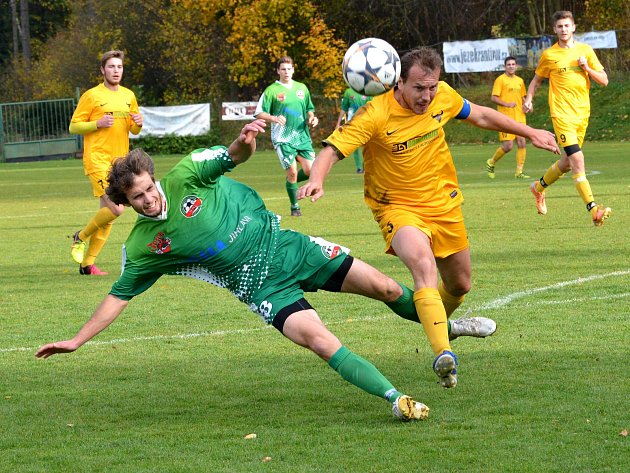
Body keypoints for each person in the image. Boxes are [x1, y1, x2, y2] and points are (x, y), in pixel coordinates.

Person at [36, 119, 493, 420]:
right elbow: (118, 297)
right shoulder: (144, 247)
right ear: (126, 203)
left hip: (288, 246)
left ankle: (445, 326)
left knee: (387, 288)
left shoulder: (188, 172)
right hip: (259, 286)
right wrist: (77, 340)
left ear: (156, 179)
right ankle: (397, 400)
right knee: (319, 341)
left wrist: (245, 139)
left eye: (149, 188)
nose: (150, 199)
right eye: (138, 198)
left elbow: (233, 155)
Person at [298, 47, 559, 389]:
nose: (427, 95)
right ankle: (443, 355)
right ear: (399, 82)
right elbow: (332, 150)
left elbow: (480, 115)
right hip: (396, 206)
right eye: (419, 88)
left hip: (443, 203)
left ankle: (444, 325)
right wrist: (316, 179)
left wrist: (531, 133)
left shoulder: (443, 97)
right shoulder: (375, 114)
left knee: (460, 284)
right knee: (423, 266)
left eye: (432, 87)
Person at [522, 10, 610, 226]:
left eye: (566, 26)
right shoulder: (549, 55)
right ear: (555, 29)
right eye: (559, 26)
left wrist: (586, 67)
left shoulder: (585, 51)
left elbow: (604, 80)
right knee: (577, 159)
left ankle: (538, 187)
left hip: (582, 114)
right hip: (561, 115)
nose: (563, 29)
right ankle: (594, 210)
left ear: (573, 27)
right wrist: (529, 99)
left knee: (567, 163)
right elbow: (535, 81)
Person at [68, 50, 143, 276]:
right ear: (103, 70)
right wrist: (97, 123)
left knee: (108, 215)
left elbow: (134, 129)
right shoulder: (91, 96)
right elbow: (74, 126)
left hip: (121, 163)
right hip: (98, 159)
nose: (116, 71)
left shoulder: (129, 96)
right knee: (117, 208)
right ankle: (80, 237)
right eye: (111, 67)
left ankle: (87, 265)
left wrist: (138, 123)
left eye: (119, 67)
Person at [254, 56, 319, 217]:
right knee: (292, 171)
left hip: (302, 136)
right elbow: (259, 113)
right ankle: (294, 206)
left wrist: (312, 117)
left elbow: (309, 108)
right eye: (283, 69)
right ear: (278, 71)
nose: (286, 72)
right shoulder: (272, 90)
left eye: (289, 69)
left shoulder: (302, 88)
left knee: (311, 171)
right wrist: (274, 118)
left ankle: (292, 184)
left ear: (293, 70)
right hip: (283, 138)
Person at [486, 56, 529, 179]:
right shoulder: (500, 80)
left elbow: (523, 98)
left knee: (522, 142)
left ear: (516, 66)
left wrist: (527, 105)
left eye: (513, 64)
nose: (511, 66)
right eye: (508, 64)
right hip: (505, 117)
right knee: (508, 146)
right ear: (505, 67)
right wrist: (507, 104)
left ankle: (519, 172)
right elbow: (494, 97)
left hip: (519, 116)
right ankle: (491, 162)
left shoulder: (520, 81)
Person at [336, 88, 372, 173]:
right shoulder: (348, 92)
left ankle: (365, 166)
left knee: (368, 145)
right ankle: (359, 167)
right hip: (352, 123)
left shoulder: (368, 90)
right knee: (354, 146)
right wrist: (338, 122)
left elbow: (373, 106)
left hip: (366, 122)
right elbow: (344, 108)